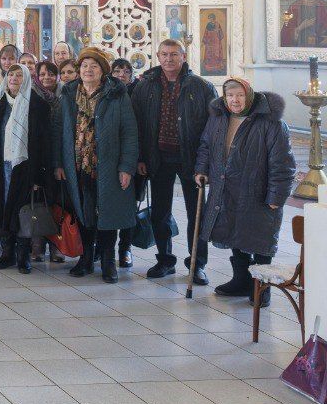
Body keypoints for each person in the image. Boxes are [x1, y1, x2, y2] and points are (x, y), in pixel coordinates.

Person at [195, 76, 295, 307]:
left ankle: (263, 288)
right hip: (226, 188)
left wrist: (276, 197)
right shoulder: (219, 119)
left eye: (239, 95)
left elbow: (283, 164)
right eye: (230, 95)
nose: (235, 100)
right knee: (234, 233)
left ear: (249, 96)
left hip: (257, 191)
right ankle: (241, 281)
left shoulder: (271, 123)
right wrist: (201, 170)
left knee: (260, 239)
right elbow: (206, 146)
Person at [130, 39, 216, 283]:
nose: (169, 59)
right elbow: (136, 125)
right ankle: (165, 260)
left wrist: (206, 163)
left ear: (184, 56)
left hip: (191, 158)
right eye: (164, 54)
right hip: (157, 157)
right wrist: (140, 158)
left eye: (174, 54)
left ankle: (197, 264)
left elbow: (212, 130)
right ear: (157, 56)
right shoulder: (145, 85)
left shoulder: (202, 87)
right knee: (160, 212)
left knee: (196, 212)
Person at [57, 48, 138, 283]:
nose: (88, 70)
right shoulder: (69, 93)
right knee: (83, 212)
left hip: (108, 166)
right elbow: (59, 130)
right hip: (77, 165)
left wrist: (126, 167)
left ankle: (108, 260)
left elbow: (129, 132)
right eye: (84, 66)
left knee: (108, 213)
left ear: (103, 71)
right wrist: (59, 163)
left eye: (94, 66)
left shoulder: (116, 94)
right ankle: (86, 257)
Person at [0, 65, 53, 273]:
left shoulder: (37, 105)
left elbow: (44, 144)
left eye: (19, 75)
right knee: (2, 206)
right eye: (11, 74)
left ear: (26, 79)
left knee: (21, 209)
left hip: (24, 167)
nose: (14, 78)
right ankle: (7, 253)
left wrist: (39, 176)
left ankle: (23, 256)